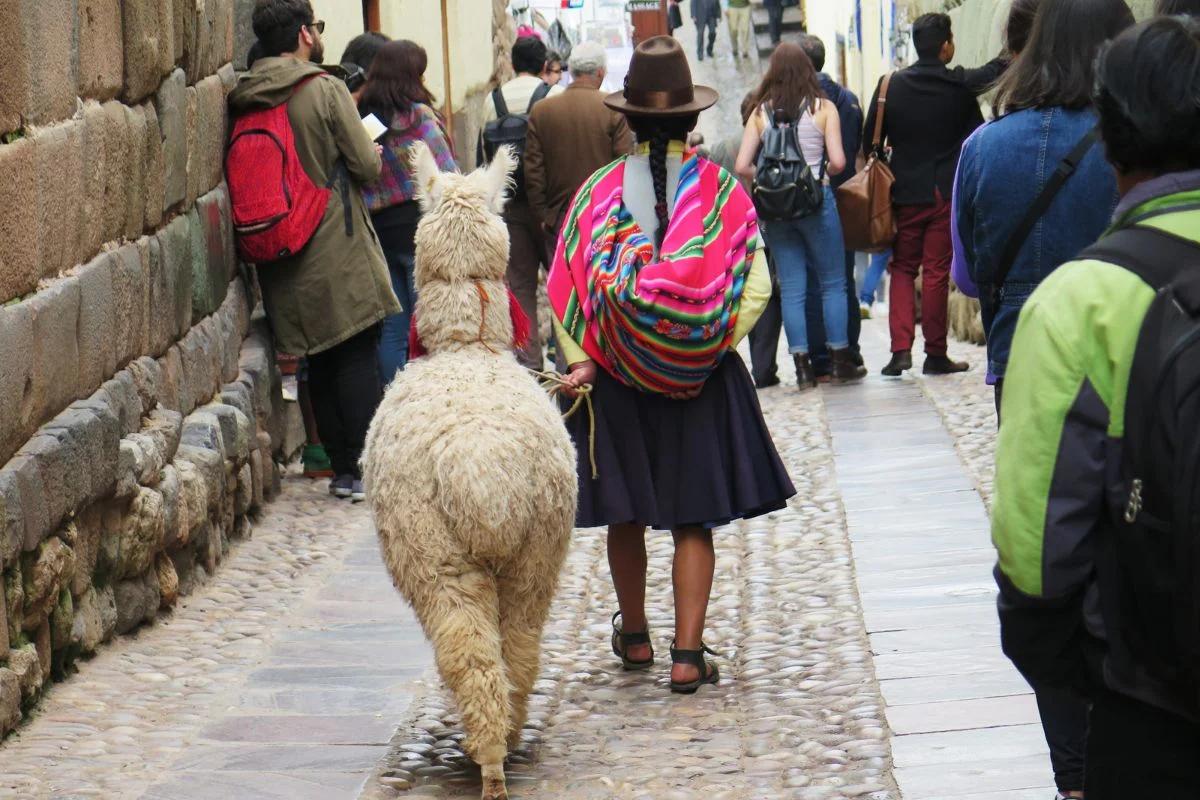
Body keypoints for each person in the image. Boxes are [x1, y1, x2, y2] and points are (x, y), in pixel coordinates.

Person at [548, 36, 794, 694]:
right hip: (701, 381)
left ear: (626, 117)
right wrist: (705, 343)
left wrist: (588, 359)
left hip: (616, 380)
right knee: (693, 515)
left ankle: (634, 637)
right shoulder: (722, 194)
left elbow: (564, 288)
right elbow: (759, 287)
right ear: (692, 118)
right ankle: (688, 655)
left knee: (625, 510)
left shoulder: (598, 195)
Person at [993, 16, 1200, 797]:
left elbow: (1037, 552)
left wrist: (1092, 680)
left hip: (1151, 700)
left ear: (1110, 143)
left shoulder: (1079, 304)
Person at [960, 2, 1133, 793]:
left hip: (1023, 375)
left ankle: (1073, 770)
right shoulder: (1134, 153)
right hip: (1136, 369)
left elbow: (968, 279)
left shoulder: (983, 150)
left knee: (1049, 561)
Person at [230, 0, 399, 502]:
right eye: (317, 28)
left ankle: (344, 470)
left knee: (318, 359)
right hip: (333, 240)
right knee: (354, 351)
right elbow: (366, 166)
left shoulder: (246, 95)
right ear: (305, 34)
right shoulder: (322, 89)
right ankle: (364, 468)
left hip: (279, 250)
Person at [954, 0, 1126, 412]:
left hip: (1018, 354)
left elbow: (968, 278)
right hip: (1111, 352)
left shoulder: (980, 147)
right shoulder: (1128, 146)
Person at [862, 13, 1009, 377]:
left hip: (904, 193)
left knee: (901, 267)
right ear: (945, 46)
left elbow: (869, 143)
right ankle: (935, 352)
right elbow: (978, 130)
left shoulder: (889, 87)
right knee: (936, 273)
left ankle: (899, 351)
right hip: (943, 192)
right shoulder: (956, 87)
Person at [735, 43, 867, 389]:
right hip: (816, 201)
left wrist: (769, 176)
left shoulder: (760, 112)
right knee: (833, 282)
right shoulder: (823, 107)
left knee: (793, 287)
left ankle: (802, 367)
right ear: (808, 69)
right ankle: (840, 361)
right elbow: (840, 162)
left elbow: (741, 165)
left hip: (776, 210)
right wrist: (816, 170)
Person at [359, 40, 458, 385]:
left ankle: (395, 397)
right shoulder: (419, 117)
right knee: (428, 324)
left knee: (394, 329)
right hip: (421, 230)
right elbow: (447, 174)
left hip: (380, 231)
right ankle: (430, 395)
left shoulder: (367, 119)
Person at [484, 36, 563, 369]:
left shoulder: (493, 100)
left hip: (512, 208)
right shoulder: (554, 96)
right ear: (545, 65)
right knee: (561, 287)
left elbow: (483, 158)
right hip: (549, 208)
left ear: (512, 65)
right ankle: (565, 364)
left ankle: (529, 367)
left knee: (520, 288)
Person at [703, 93, 784, 388]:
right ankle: (764, 366)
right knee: (769, 292)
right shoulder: (770, 142)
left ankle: (744, 357)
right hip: (768, 222)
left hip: (731, 229)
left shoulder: (722, 147)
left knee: (740, 292)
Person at [798, 33, 865, 381]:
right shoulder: (849, 101)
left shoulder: (799, 105)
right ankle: (849, 354)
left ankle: (820, 359)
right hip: (847, 198)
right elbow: (857, 151)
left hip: (809, 200)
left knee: (812, 281)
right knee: (843, 280)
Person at [525, 42, 634, 243]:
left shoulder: (542, 111)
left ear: (573, 71)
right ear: (600, 73)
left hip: (559, 218)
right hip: (604, 216)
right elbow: (624, 165)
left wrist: (543, 216)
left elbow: (534, 171)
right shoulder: (614, 109)